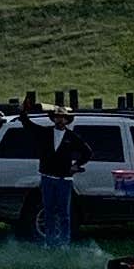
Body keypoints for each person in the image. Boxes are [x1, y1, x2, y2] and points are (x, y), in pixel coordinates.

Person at [33, 106, 80, 248]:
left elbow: (87, 151)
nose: (60, 119)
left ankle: (64, 242)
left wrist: (77, 165)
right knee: (49, 211)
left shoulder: (71, 137)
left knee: (64, 213)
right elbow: (29, 126)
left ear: (66, 120)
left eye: (63, 117)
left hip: (64, 180)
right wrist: (23, 112)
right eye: (57, 116)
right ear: (53, 118)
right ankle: (50, 241)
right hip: (47, 177)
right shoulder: (46, 133)